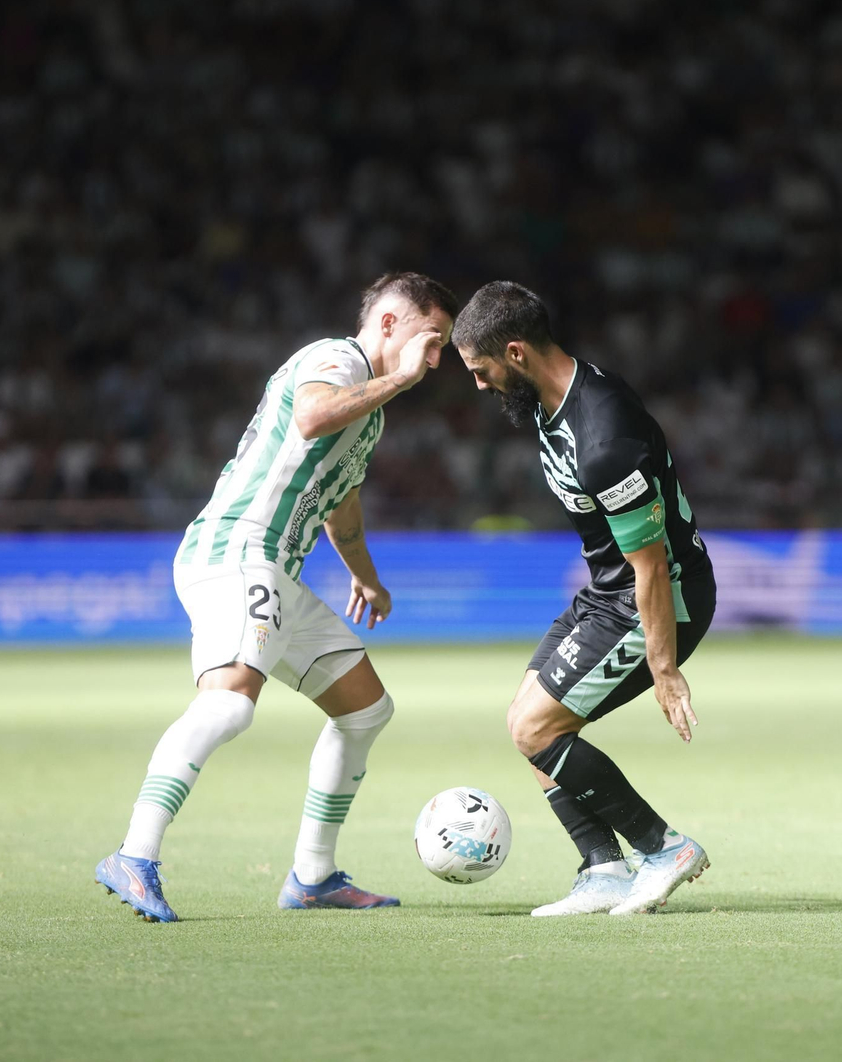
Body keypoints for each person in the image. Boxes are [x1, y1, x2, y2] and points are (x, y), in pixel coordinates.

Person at [95, 273, 458, 920]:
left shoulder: (368, 410)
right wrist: (399, 378)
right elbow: (313, 416)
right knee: (231, 706)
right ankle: (135, 853)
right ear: (388, 325)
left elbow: (339, 505)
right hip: (237, 551)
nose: (434, 361)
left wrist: (366, 575)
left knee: (366, 710)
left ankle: (313, 877)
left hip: (274, 575)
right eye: (431, 341)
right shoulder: (336, 359)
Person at [452, 281, 716, 916]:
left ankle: (665, 847)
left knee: (536, 726)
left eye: (481, 371)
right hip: (610, 588)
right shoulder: (551, 400)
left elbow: (652, 565)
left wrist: (665, 670)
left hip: (657, 596)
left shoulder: (600, 435)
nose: (480, 386)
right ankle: (602, 866)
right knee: (527, 719)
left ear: (514, 353)